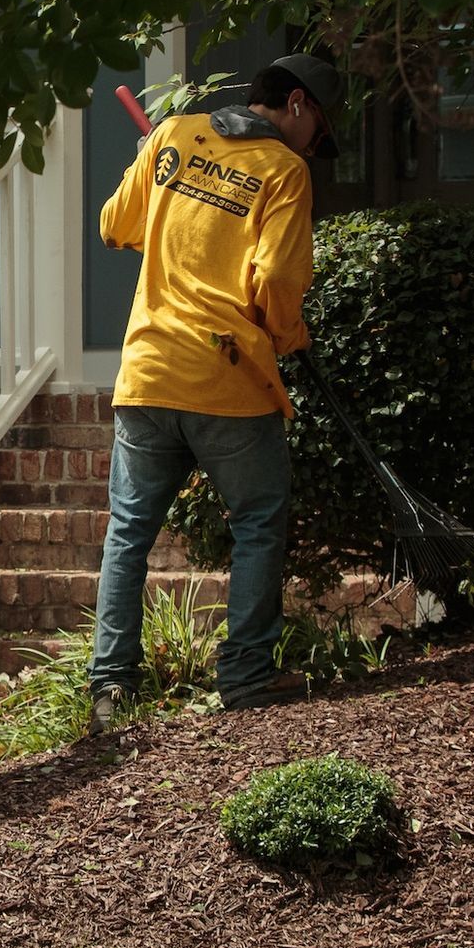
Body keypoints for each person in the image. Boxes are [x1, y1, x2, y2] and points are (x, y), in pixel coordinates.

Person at [86, 54, 344, 730]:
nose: (315, 143)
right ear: (295, 104)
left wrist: (153, 170)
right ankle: (247, 676)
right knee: (258, 522)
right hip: (227, 379)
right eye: (319, 127)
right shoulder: (284, 172)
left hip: (147, 374)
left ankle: (110, 690)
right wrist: (288, 336)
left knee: (129, 533)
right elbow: (278, 282)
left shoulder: (174, 135)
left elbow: (117, 225)